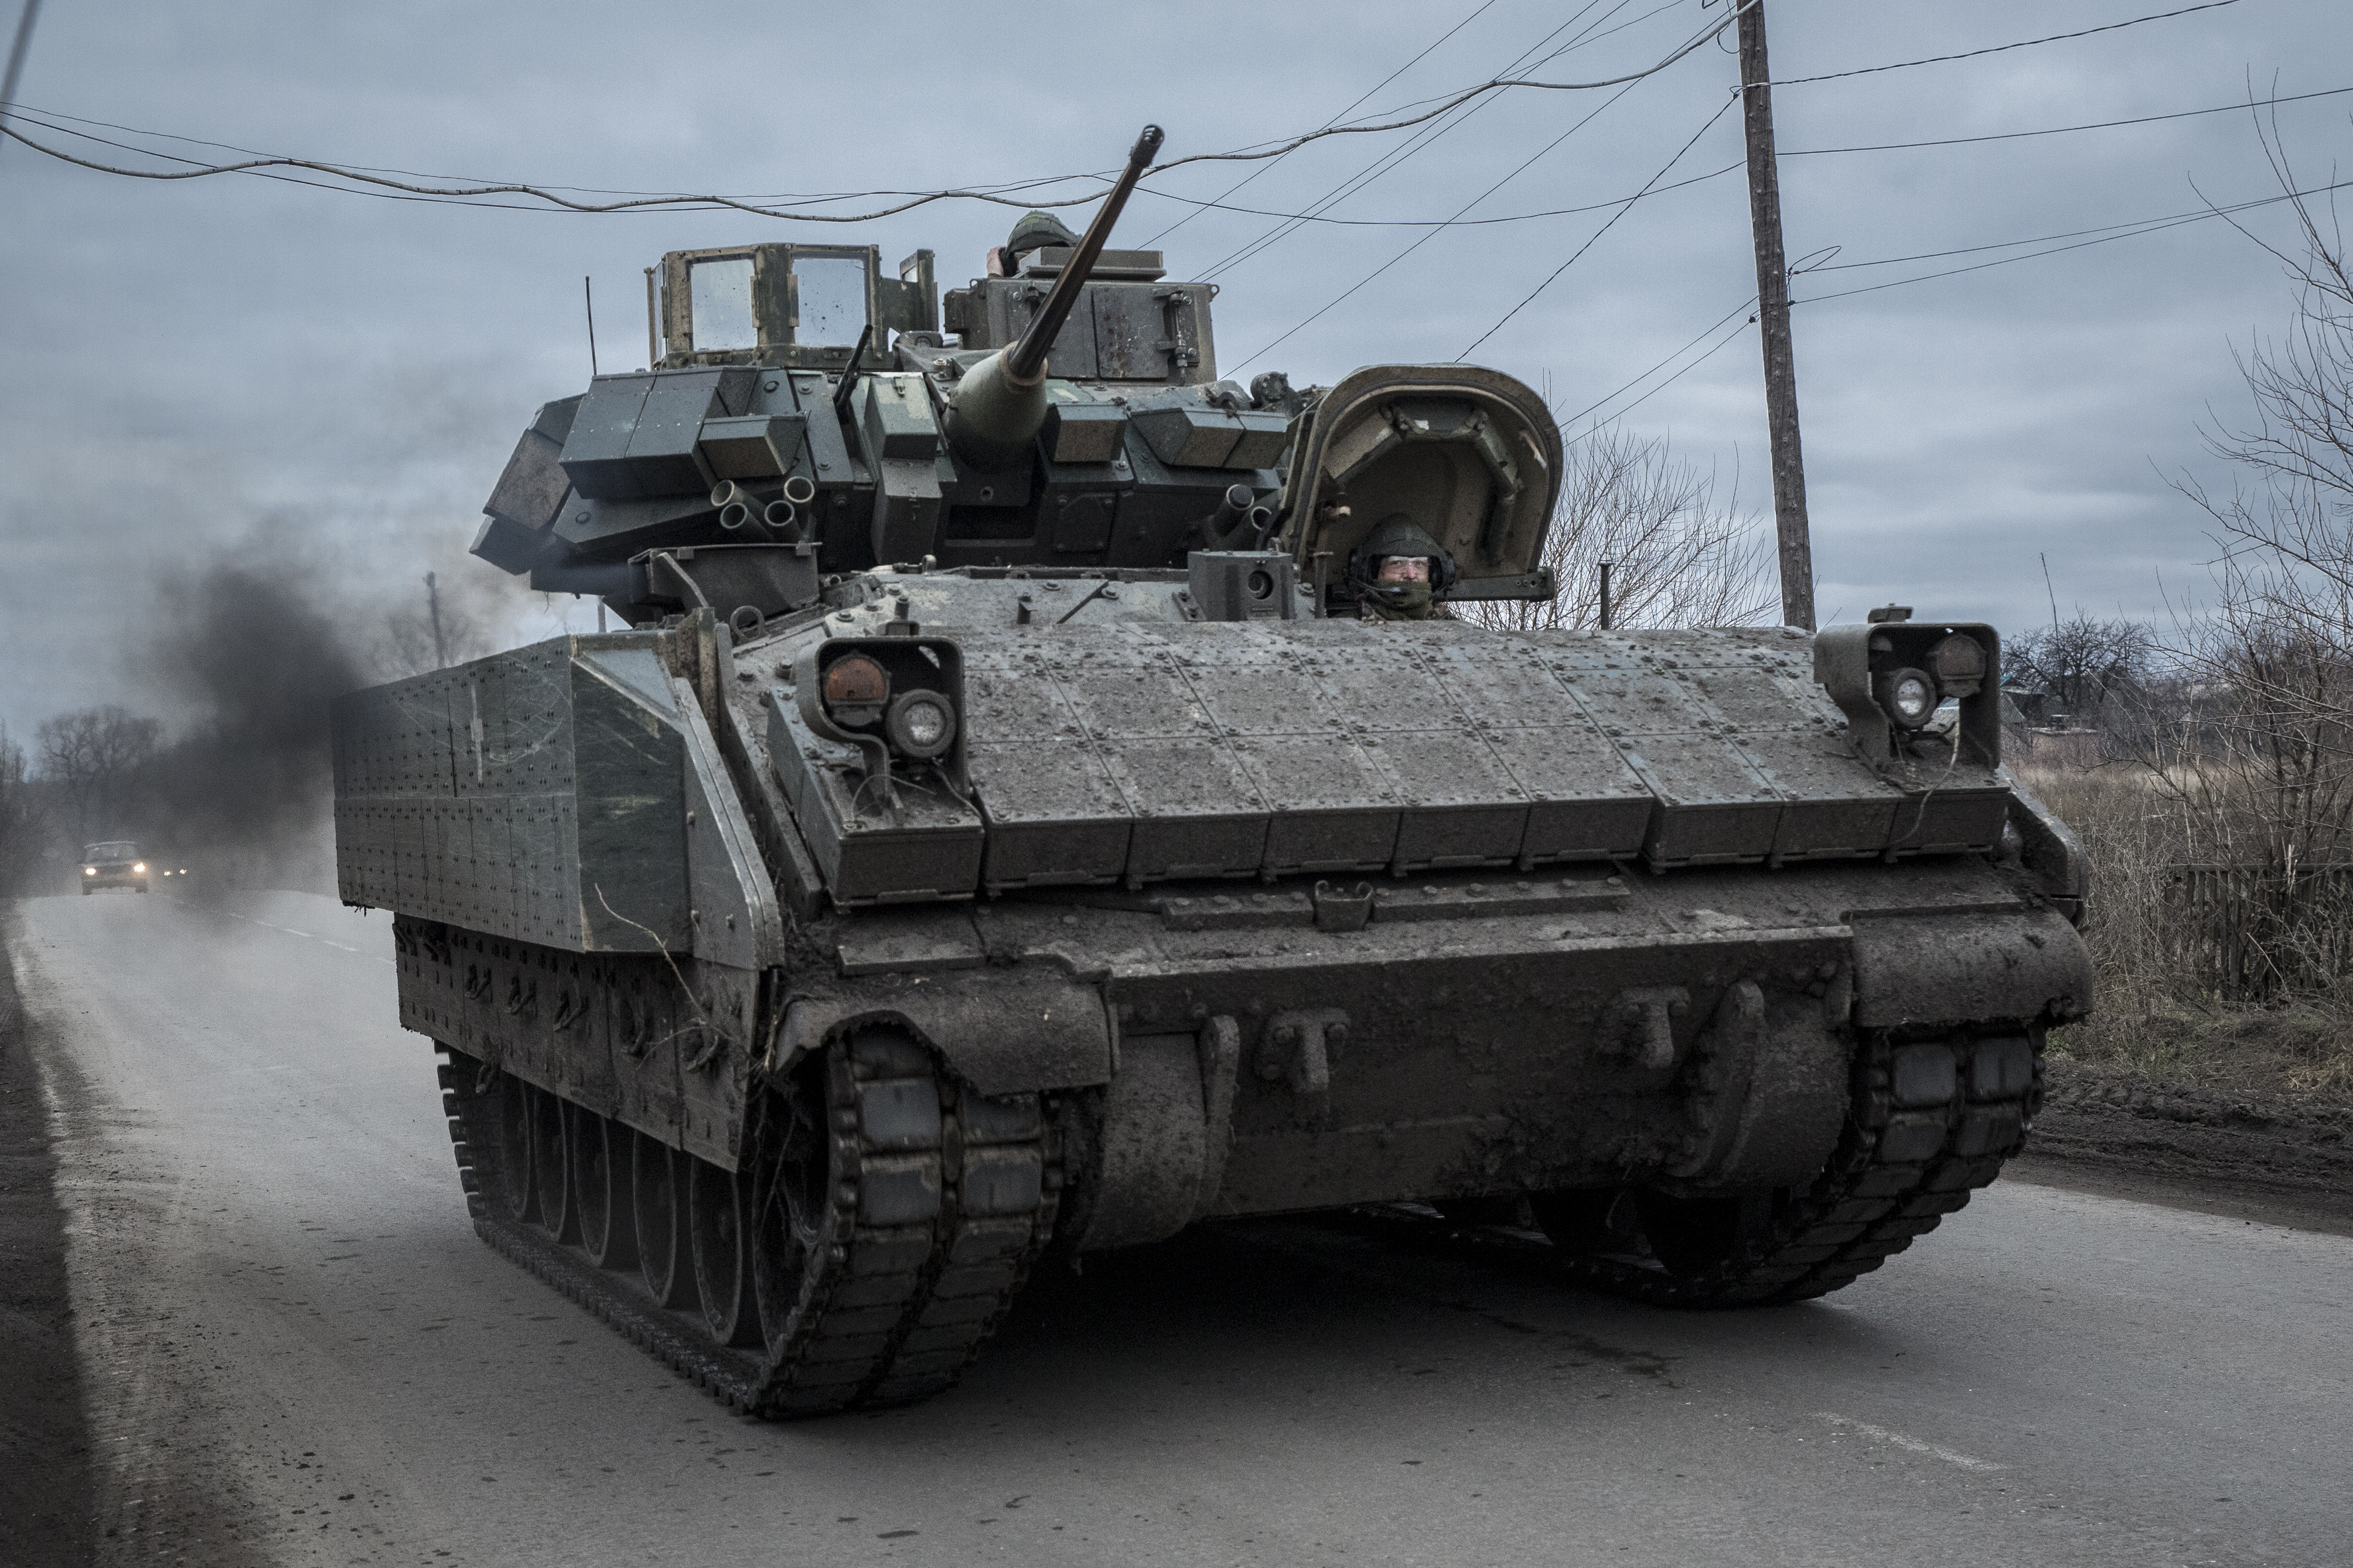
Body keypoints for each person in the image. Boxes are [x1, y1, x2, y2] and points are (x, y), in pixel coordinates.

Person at [1346, 514, 1455, 621]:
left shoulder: (1454, 628)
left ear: (1435, 576)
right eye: (1397, 563)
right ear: (1371, 573)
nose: (1411, 575)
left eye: (1420, 564)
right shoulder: (1345, 628)